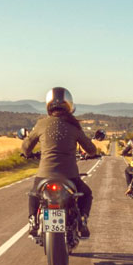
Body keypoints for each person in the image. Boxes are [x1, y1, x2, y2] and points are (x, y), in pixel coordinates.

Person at [20, 87, 100, 237]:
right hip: (69, 176)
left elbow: (25, 147)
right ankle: (82, 220)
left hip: (45, 174)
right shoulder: (74, 126)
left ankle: (32, 221)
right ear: (69, 105)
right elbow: (91, 149)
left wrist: (27, 153)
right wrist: (92, 153)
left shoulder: (41, 124)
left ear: (48, 105)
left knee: (34, 193)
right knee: (86, 194)